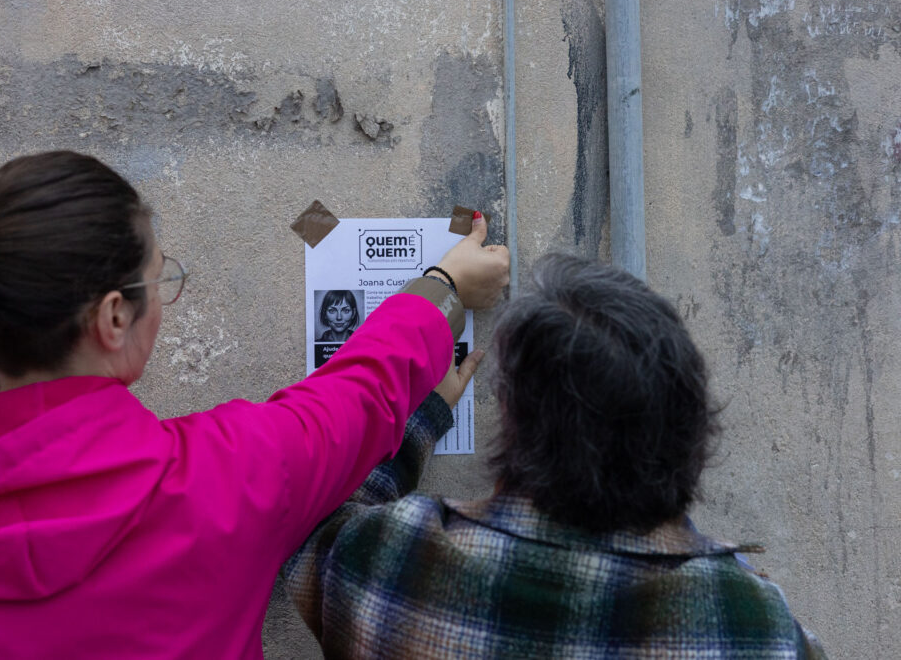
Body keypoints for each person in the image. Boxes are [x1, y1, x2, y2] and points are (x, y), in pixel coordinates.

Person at [0, 151, 510, 659]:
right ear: (114, 317)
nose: (163, 296)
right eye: (160, 279)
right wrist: (447, 286)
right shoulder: (224, 477)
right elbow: (361, 393)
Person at [284, 253, 826, 659]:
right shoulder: (758, 629)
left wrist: (419, 417)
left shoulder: (391, 563)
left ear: (513, 417)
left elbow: (302, 511)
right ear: (689, 423)